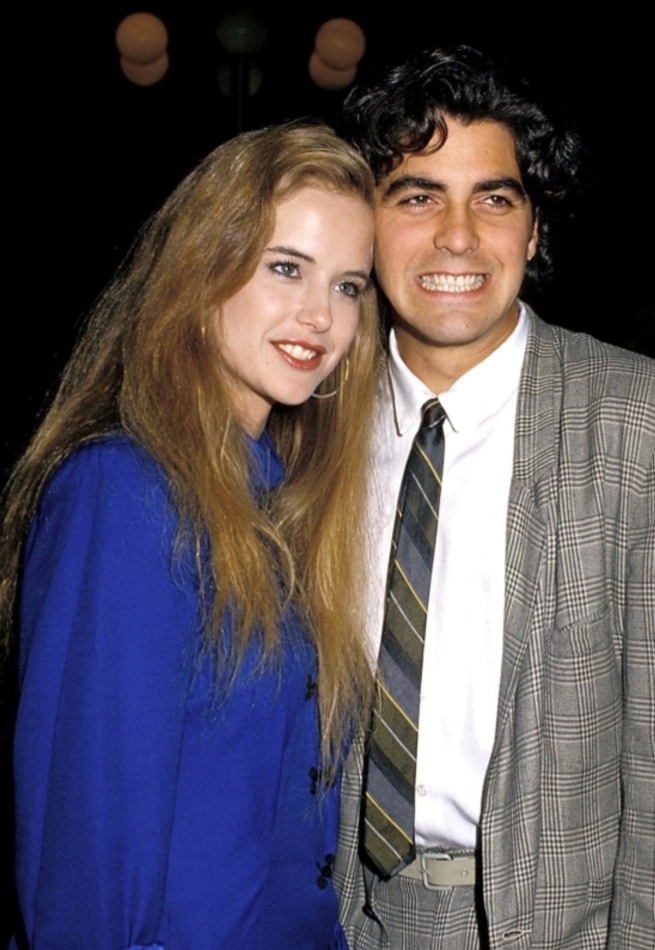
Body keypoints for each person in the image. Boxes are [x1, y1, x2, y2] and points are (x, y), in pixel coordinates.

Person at [333, 47, 655, 949]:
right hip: (335, 920)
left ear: (533, 230)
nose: (458, 236)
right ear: (364, 225)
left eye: (495, 198)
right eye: (417, 196)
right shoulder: (310, 422)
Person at [1, 121, 381, 950]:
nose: (320, 315)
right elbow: (85, 865)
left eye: (350, 286)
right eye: (287, 268)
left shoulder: (286, 501)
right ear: (204, 268)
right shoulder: (123, 492)